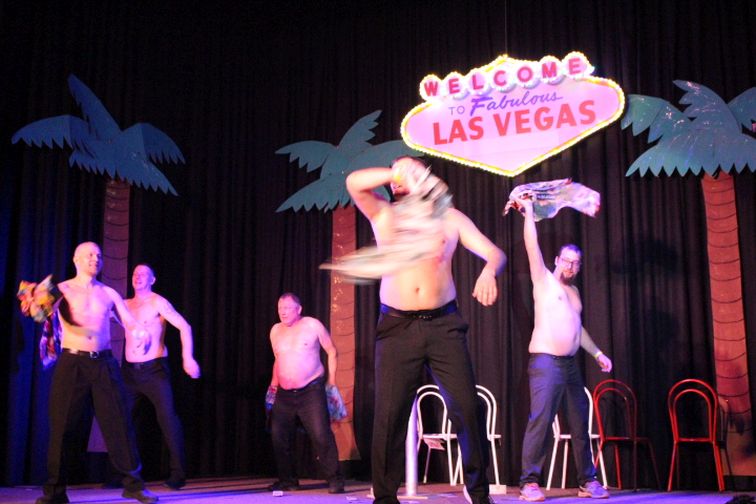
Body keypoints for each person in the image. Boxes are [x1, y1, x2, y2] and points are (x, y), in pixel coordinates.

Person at [346, 156, 506, 504]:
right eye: (394, 173)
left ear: (425, 175)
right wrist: (397, 171)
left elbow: (495, 253)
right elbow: (354, 182)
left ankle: (479, 493)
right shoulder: (385, 215)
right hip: (397, 327)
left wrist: (489, 270)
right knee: (390, 416)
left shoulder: (450, 218)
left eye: (407, 169)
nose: (397, 178)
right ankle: (384, 498)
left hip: (444, 325)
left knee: (467, 408)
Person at [37, 242, 158, 504]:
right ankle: (55, 492)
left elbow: (129, 322)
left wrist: (141, 333)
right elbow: (38, 314)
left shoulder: (108, 293)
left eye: (99, 255)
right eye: (90, 254)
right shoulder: (62, 290)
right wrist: (36, 300)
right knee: (62, 428)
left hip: (104, 364)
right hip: (72, 363)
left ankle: (134, 485)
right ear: (76, 259)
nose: (96, 258)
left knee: (119, 423)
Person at [512, 194, 612, 501]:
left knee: (580, 422)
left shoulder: (575, 292)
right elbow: (531, 245)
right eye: (566, 260)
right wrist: (530, 211)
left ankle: (587, 481)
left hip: (570, 366)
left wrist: (597, 353)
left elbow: (577, 329)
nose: (570, 266)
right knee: (541, 420)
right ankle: (529, 482)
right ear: (557, 260)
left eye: (576, 262)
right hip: (546, 362)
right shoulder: (544, 281)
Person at [122, 264, 201, 490]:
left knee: (168, 419)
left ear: (153, 280)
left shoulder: (158, 302)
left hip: (154, 370)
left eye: (143, 274)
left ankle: (178, 473)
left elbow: (184, 327)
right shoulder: (125, 305)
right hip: (130, 372)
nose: (138, 277)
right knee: (122, 421)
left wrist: (188, 358)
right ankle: (123, 473)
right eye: (135, 274)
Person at [266, 293, 344, 494]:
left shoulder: (312, 325)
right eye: (280, 308)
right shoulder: (275, 330)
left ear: (298, 309)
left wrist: (332, 382)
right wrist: (272, 387)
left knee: (320, 434)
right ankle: (288, 480)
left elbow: (332, 351)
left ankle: (335, 479)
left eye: (287, 308)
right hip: (284, 393)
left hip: (311, 390)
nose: (283, 312)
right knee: (279, 437)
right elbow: (279, 360)